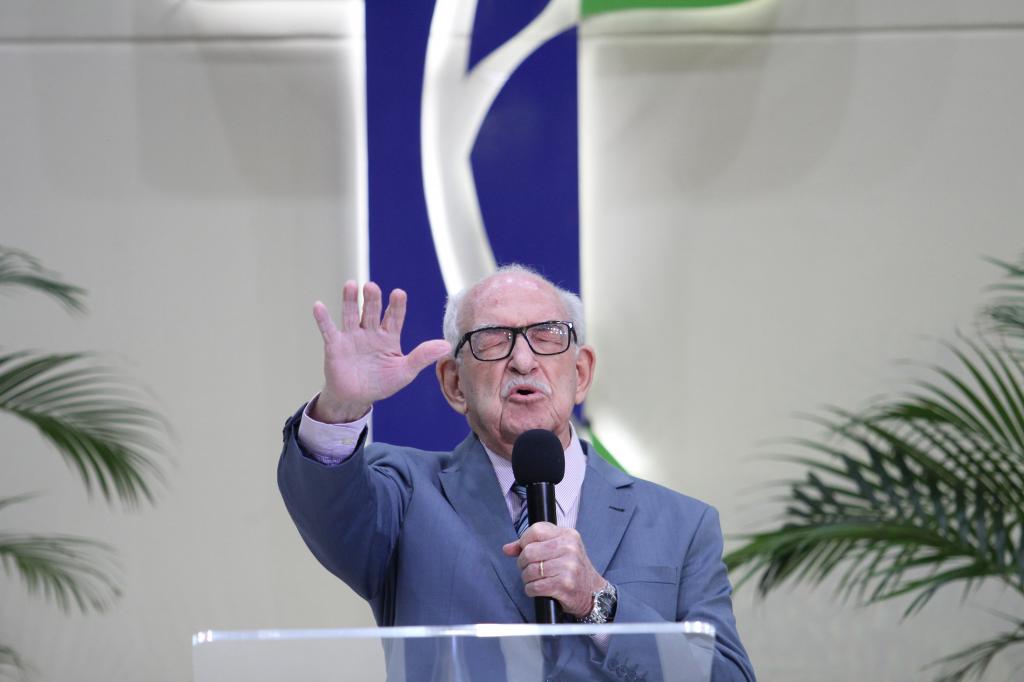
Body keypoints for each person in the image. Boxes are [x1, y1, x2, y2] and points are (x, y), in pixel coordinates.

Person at [278, 265, 756, 681]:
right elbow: (328, 507)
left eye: (546, 336)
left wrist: (599, 601)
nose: (523, 361)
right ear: (454, 383)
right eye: (492, 340)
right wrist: (341, 407)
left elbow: (727, 677)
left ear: (581, 373)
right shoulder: (404, 494)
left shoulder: (683, 525)